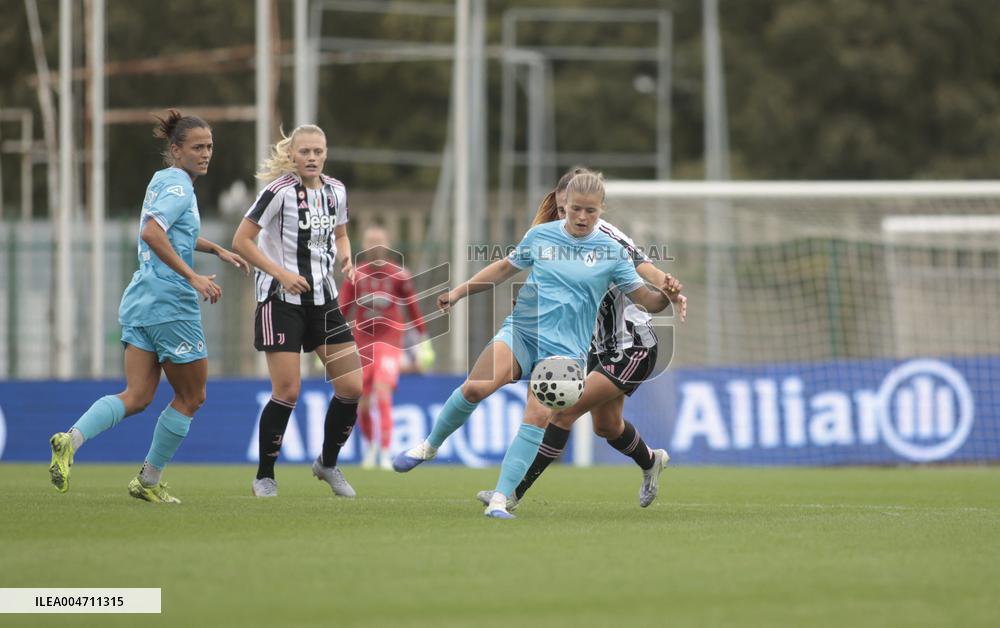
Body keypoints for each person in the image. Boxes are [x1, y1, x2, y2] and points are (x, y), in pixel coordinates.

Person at [393, 171, 676, 519]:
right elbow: (502, 269)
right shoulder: (540, 236)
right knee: (474, 389)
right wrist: (459, 291)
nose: (582, 217)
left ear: (602, 210)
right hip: (523, 333)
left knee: (543, 416)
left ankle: (501, 499)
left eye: (591, 211)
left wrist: (666, 295)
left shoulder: (612, 251)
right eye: (574, 209)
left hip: (566, 352)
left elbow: (645, 298)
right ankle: (428, 446)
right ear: (563, 206)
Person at [47, 109, 250, 503]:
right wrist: (192, 277)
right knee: (192, 397)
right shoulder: (180, 187)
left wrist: (216, 249)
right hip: (171, 305)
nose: (206, 153)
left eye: (209, 146)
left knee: (137, 395)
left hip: (139, 301)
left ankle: (70, 439)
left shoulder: (161, 182)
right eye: (197, 147)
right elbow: (152, 233)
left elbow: (172, 234)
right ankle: (148, 479)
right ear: (175, 150)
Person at [477, 167, 688, 512]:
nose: (575, 217)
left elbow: (643, 265)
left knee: (562, 411)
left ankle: (511, 493)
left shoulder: (606, 237)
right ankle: (651, 461)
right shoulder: (553, 234)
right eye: (566, 210)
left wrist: (669, 287)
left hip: (632, 345)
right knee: (608, 427)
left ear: (594, 207)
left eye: (583, 209)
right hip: (595, 346)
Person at [232, 124, 363, 499]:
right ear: (292, 155)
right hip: (280, 301)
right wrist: (281, 273)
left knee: (352, 387)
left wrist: (347, 256)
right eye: (304, 151)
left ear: (326, 154)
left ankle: (327, 463)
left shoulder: (336, 191)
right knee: (288, 390)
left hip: (323, 300)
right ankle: (265, 475)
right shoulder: (277, 193)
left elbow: (340, 233)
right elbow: (241, 239)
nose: (311, 157)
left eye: (318, 151)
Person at [339, 225, 427, 470]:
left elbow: (413, 310)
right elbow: (342, 310)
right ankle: (370, 447)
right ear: (364, 245)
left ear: (387, 244)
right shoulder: (354, 275)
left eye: (380, 241)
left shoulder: (400, 275)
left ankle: (386, 452)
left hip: (390, 341)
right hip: (362, 343)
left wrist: (421, 343)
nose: (375, 246)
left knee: (383, 392)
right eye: (371, 241)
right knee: (362, 402)